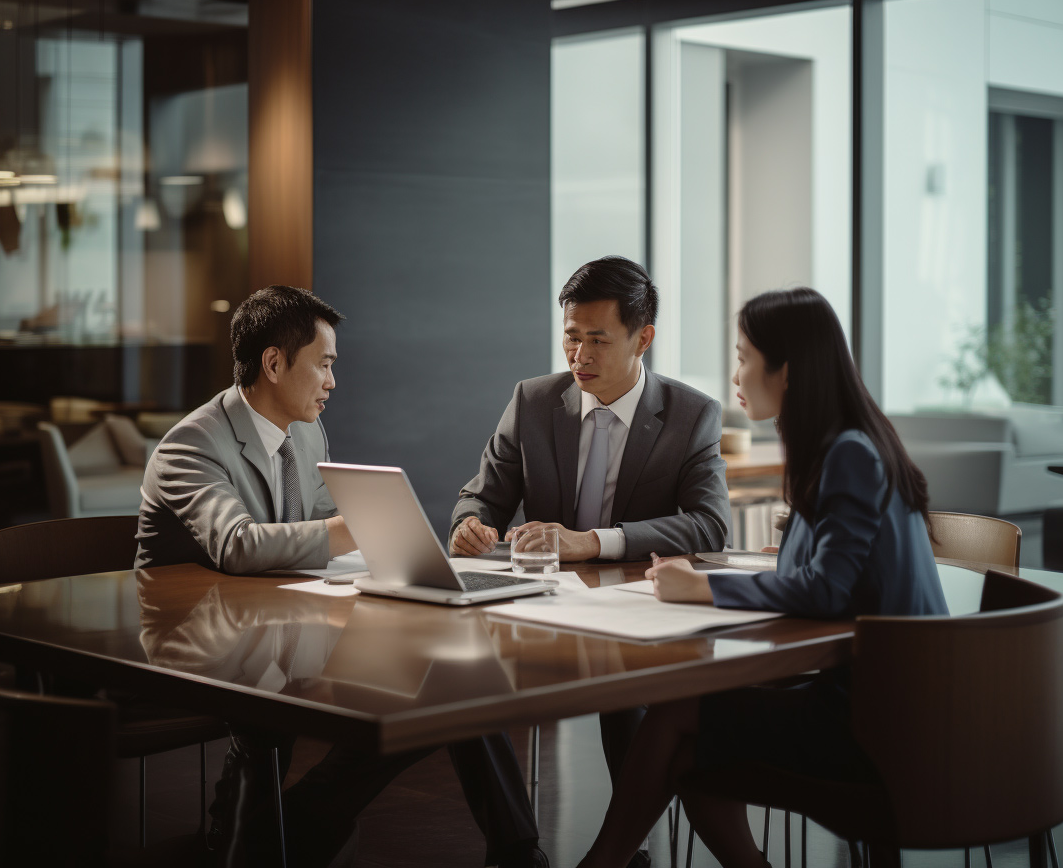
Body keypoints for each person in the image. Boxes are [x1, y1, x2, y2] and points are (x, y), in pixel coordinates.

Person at [137, 285, 544, 868]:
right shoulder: (190, 445)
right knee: (281, 703)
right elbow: (237, 544)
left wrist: (388, 548)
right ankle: (283, 828)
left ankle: (519, 855)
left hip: (276, 625)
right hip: (194, 645)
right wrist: (357, 526)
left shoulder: (305, 431)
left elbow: (326, 529)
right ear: (274, 364)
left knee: (455, 680)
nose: (333, 381)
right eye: (324, 365)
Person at [577, 287, 949, 868]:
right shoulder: (848, 441)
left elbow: (826, 590)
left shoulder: (846, 451)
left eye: (746, 356)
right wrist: (795, 559)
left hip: (878, 719)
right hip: (897, 703)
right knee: (690, 750)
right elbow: (843, 572)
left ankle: (603, 863)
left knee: (678, 717)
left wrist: (701, 585)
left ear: (790, 369)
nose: (736, 375)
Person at [450, 256, 732, 864]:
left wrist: (595, 541)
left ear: (643, 338)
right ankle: (517, 848)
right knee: (460, 680)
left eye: (598, 340)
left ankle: (625, 849)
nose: (579, 355)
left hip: (636, 616)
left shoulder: (690, 416)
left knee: (626, 687)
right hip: (538, 611)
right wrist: (470, 525)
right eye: (571, 337)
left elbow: (710, 526)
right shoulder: (532, 401)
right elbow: (483, 494)